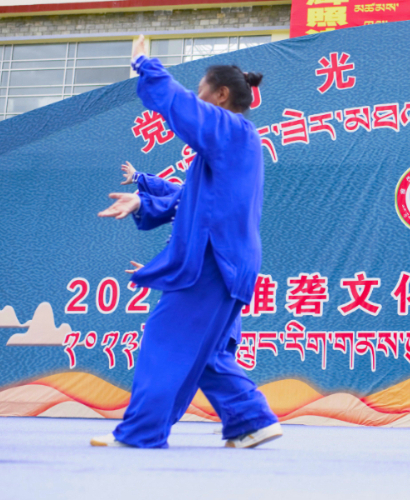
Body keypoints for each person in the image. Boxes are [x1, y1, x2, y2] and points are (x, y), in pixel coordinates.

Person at [92, 35, 280, 449]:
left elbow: (182, 107)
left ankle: (142, 431)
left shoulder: (232, 130)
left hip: (215, 260)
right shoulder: (238, 143)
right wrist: (143, 200)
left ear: (222, 95)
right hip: (230, 260)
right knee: (208, 354)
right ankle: (250, 420)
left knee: (165, 341)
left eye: (202, 92)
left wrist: (146, 65)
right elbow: (195, 199)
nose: (198, 99)